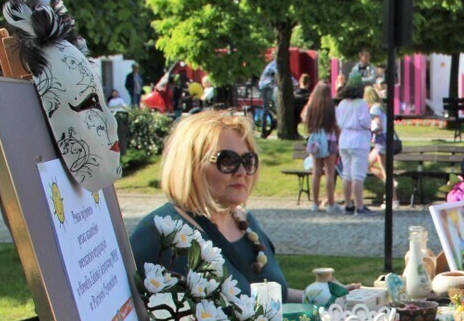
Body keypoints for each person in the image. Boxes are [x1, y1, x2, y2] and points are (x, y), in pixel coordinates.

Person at [130, 110, 301, 301]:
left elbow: (272, 298)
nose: (242, 171)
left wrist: (322, 295)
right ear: (192, 165)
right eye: (228, 161)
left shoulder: (244, 221)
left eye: (248, 160)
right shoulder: (160, 233)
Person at [335, 80, 374, 216]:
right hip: (358, 140)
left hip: (344, 139)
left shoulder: (342, 103)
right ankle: (360, 206)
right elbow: (365, 121)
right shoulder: (361, 104)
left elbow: (338, 121)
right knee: (358, 175)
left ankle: (348, 204)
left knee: (346, 173)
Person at [301, 82, 339, 213]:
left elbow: (303, 118)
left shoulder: (312, 107)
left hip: (316, 141)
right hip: (330, 140)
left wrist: (310, 101)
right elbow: (336, 125)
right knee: (329, 173)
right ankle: (330, 204)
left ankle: (315, 204)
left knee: (316, 173)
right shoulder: (331, 107)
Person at [257, 56, 277, 138]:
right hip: (265, 87)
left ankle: (271, 126)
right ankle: (263, 131)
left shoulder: (275, 64)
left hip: (269, 87)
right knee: (266, 109)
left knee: (274, 108)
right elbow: (280, 75)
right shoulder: (274, 64)